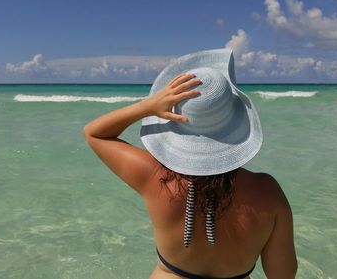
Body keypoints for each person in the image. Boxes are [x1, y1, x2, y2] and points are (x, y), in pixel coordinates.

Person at [82, 49, 297, 279]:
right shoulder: (268, 193)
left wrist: (148, 106)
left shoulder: (153, 176)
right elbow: (283, 275)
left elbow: (94, 134)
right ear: (237, 121)